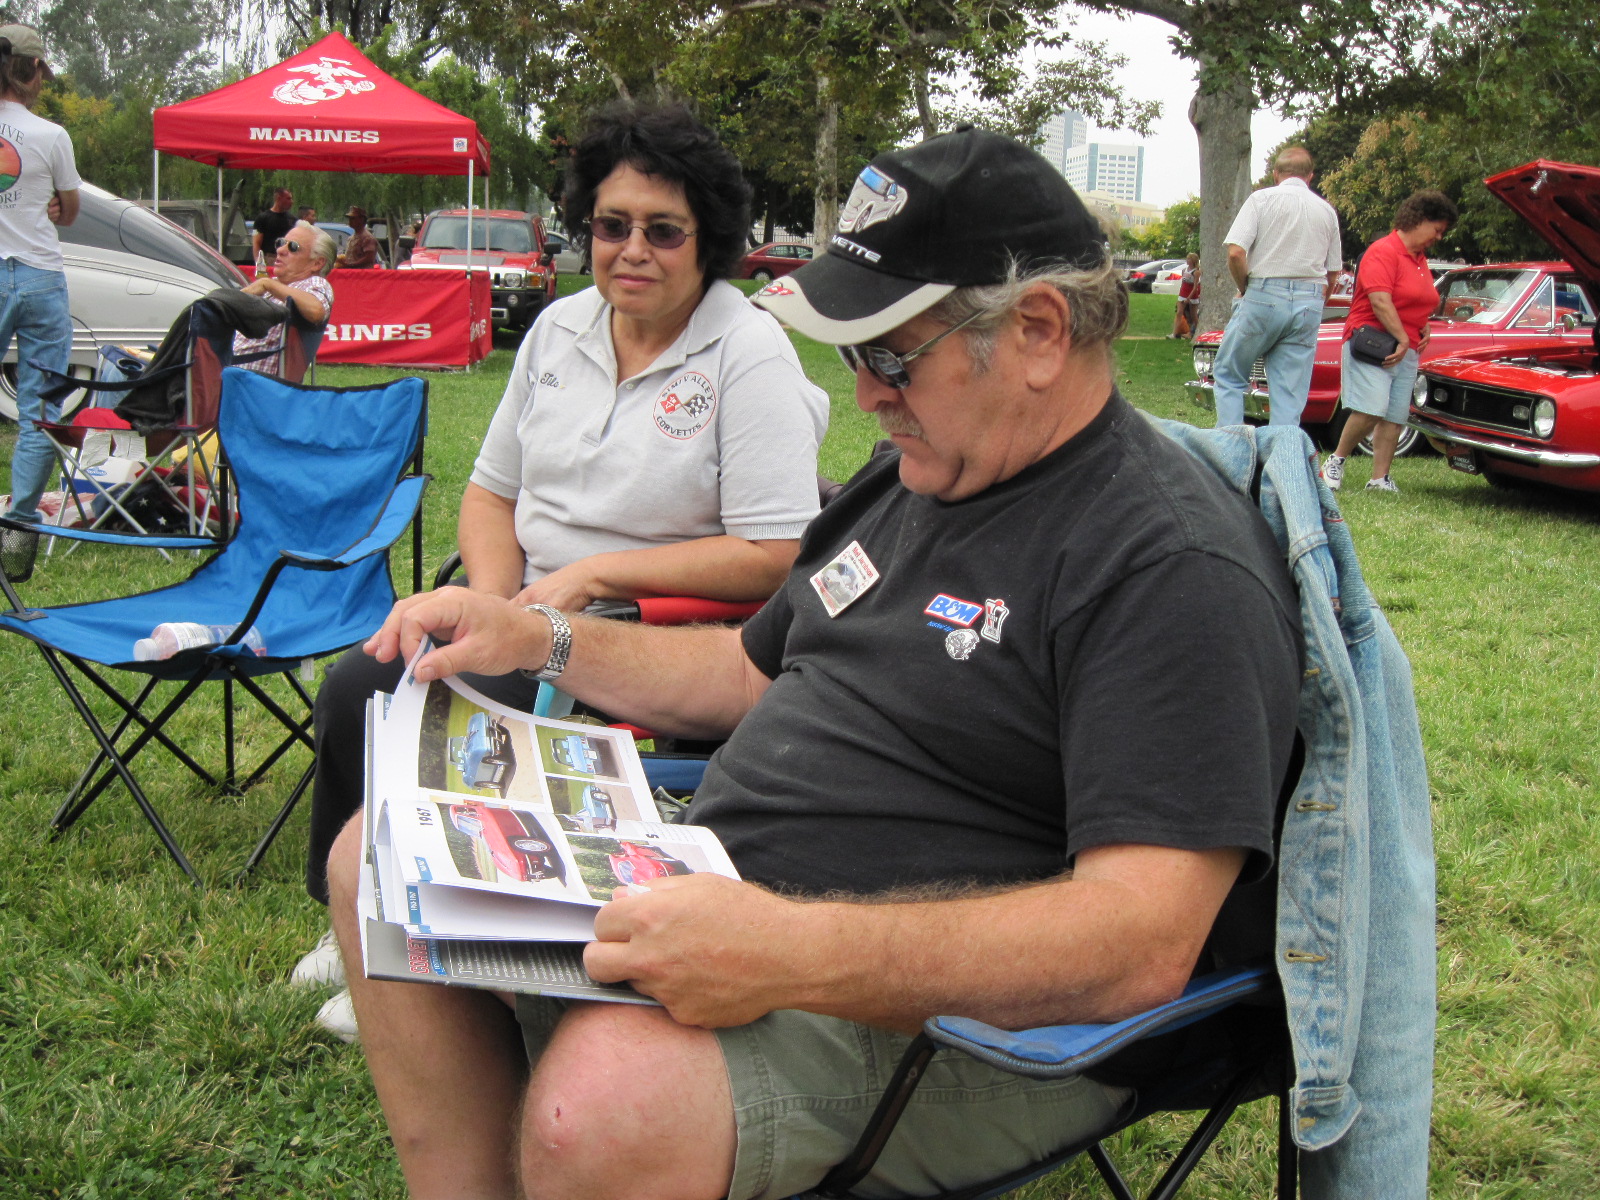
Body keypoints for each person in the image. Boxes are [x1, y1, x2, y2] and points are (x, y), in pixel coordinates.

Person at [323, 126, 1304, 1200]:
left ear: (1036, 331)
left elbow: (1138, 942)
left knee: (602, 1104)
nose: (863, 394)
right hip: (726, 897)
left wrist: (785, 952)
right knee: (373, 853)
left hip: (959, 1016)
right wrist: (540, 638)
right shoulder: (919, 476)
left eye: (889, 354)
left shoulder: (1165, 563)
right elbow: (747, 676)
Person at [293, 103, 830, 1038]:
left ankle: (434, 938)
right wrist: (491, 601)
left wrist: (594, 578)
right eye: (611, 225)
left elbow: (777, 550)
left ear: (709, 240)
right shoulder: (558, 329)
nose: (632, 250)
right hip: (528, 599)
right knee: (364, 684)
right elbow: (493, 494)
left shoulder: (749, 354)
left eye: (663, 231)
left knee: (466, 695)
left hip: (650, 626)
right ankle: (360, 915)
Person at [0, 23, 80, 543]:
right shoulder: (52, 136)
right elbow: (68, 213)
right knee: (39, 406)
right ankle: (18, 523)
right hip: (39, 274)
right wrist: (52, 201)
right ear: (32, 71)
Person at [1322, 190, 1457, 495]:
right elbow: (1380, 301)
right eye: (1437, 229)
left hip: (1406, 347)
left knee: (1395, 415)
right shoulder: (1382, 251)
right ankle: (1335, 461)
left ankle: (1379, 478)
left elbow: (1420, 299)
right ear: (1419, 220)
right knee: (1371, 408)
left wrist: (1424, 326)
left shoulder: (1420, 260)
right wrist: (1400, 337)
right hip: (1373, 343)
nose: (1438, 237)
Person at [1211, 147, 1342, 428]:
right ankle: (1283, 458)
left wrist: (1245, 288)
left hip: (1264, 292)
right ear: (1310, 176)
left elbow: (1236, 252)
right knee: (1289, 394)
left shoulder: (1261, 199)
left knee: (1230, 374)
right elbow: (1333, 271)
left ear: (1275, 174)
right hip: (1310, 298)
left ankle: (1231, 449)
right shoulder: (1326, 210)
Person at [232, 221, 334, 372]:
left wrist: (267, 284)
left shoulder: (315, 283)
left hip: (244, 381)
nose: (280, 250)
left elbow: (316, 310)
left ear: (317, 263)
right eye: (281, 243)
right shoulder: (277, 285)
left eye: (293, 247)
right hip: (230, 372)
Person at [250, 188, 294, 266]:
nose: (291, 202)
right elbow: (256, 243)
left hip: (288, 257)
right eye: (288, 199)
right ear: (279, 198)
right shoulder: (263, 218)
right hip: (270, 258)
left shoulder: (291, 219)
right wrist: (259, 262)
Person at [1170, 250, 1200, 339]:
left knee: (1193, 316)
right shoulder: (1184, 270)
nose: (1187, 260)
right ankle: (1174, 333)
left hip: (1191, 295)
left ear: (1193, 260)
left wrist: (1189, 298)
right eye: (1187, 258)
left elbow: (1195, 287)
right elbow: (1183, 283)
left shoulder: (1196, 272)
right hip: (1182, 294)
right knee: (1179, 313)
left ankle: (1197, 332)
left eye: (1189, 259)